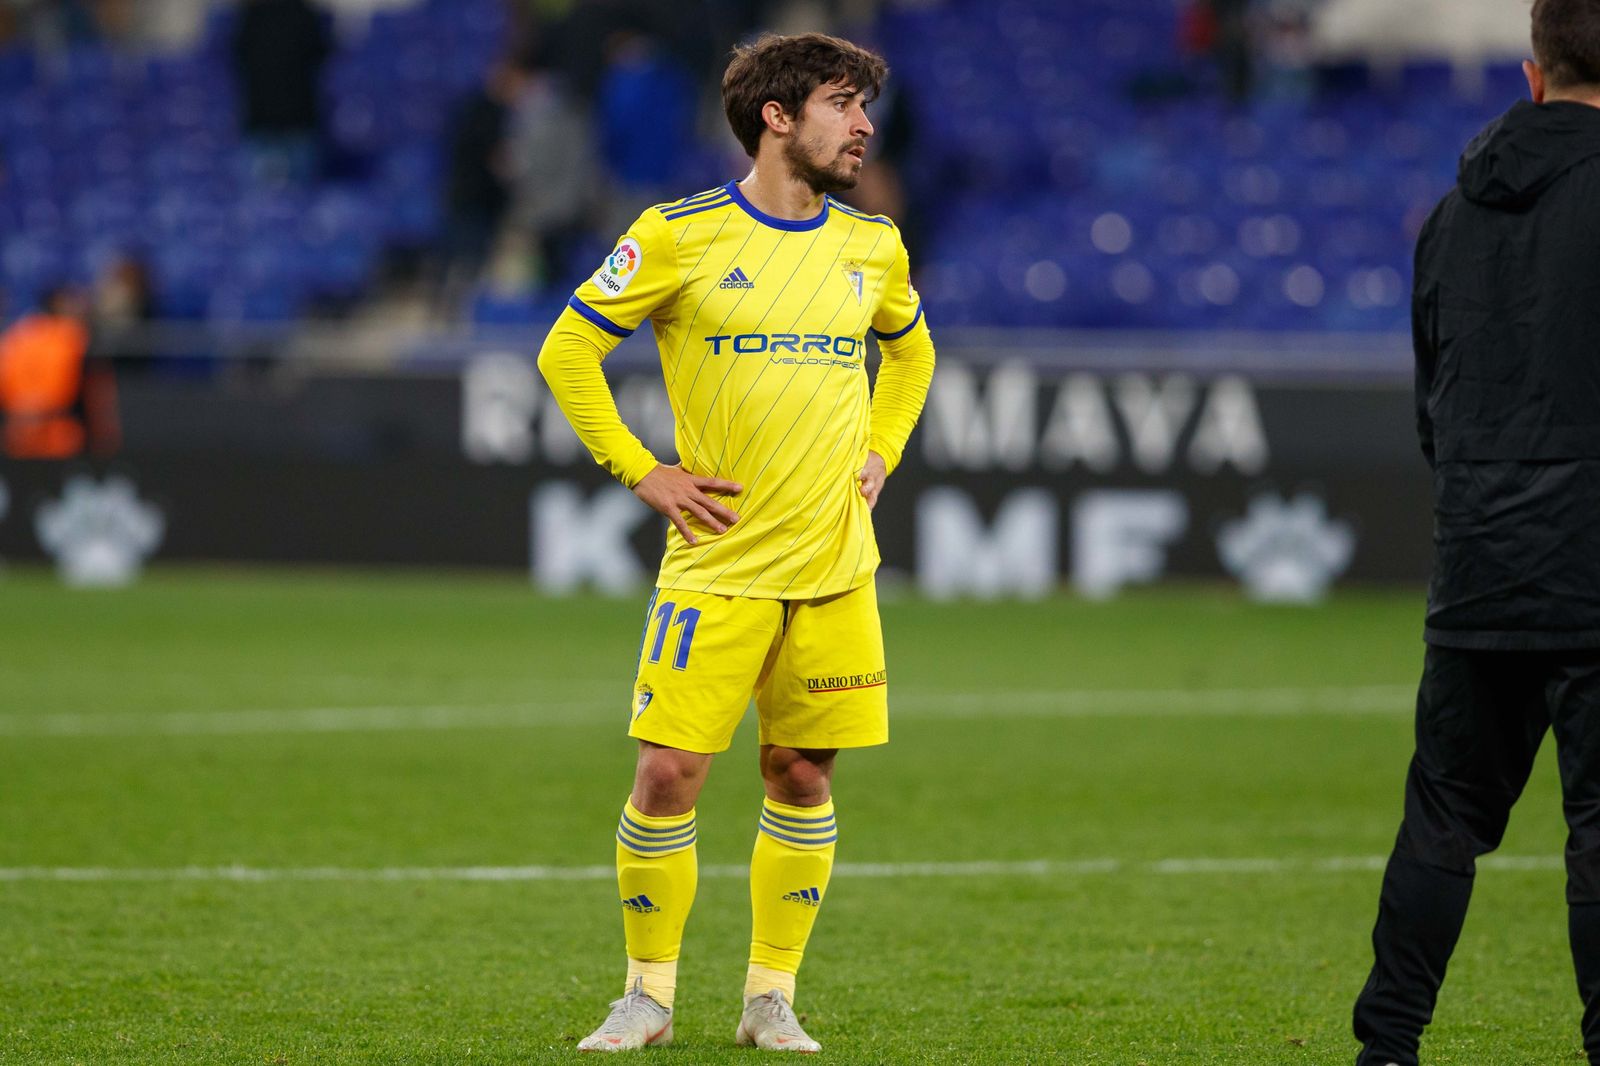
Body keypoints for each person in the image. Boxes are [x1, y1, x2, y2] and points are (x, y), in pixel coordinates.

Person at [536, 32, 935, 1054]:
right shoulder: (677, 235)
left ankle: (769, 997)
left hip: (835, 568)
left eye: (863, 108)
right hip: (718, 561)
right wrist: (645, 470)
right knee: (668, 773)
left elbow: (912, 349)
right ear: (776, 116)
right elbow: (567, 347)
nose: (864, 126)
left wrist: (883, 448)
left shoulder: (871, 244)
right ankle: (647, 996)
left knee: (802, 774)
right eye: (843, 104)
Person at [1351, 2, 1600, 1063]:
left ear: (1530, 71)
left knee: (1443, 819)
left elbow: (1430, 402)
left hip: (1480, 564)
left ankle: (1387, 1046)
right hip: (1594, 569)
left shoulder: (1452, 212)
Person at [0, 285, 119, 460]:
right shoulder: (76, 338)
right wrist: (104, 439)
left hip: (16, 435)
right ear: (58, 304)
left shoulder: (12, 337)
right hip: (62, 436)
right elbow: (95, 398)